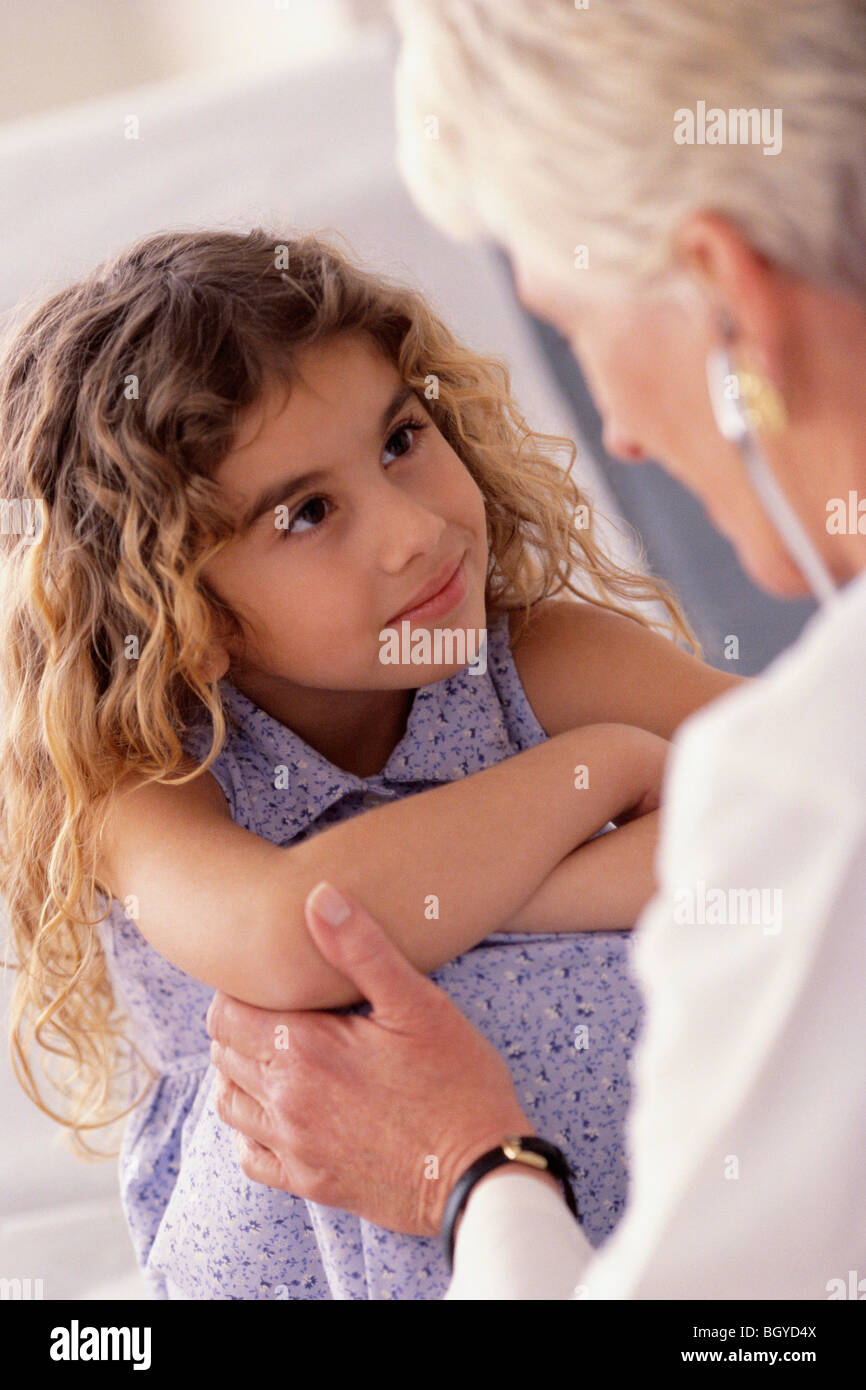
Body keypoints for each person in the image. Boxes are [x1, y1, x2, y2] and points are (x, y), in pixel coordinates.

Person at [208, 0, 866, 1298]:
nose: (615, 427)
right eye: (305, 513)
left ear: (728, 296)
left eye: (576, 324)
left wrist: (470, 1165)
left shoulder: (805, 785)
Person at [0, 225, 740, 1299]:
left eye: (399, 439)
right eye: (305, 513)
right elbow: (295, 940)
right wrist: (603, 768)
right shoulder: (152, 775)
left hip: (596, 1216)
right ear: (181, 611)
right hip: (295, 1233)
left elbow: (807, 798)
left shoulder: (534, 660)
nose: (411, 531)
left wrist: (487, 905)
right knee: (345, 1033)